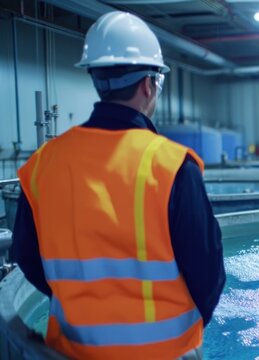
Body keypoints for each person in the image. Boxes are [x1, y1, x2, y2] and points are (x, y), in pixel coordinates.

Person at [10, 11, 225, 359]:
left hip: (71, 350)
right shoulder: (171, 165)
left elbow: (26, 256)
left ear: (95, 79)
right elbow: (208, 272)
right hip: (164, 352)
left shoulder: (43, 164)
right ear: (148, 84)